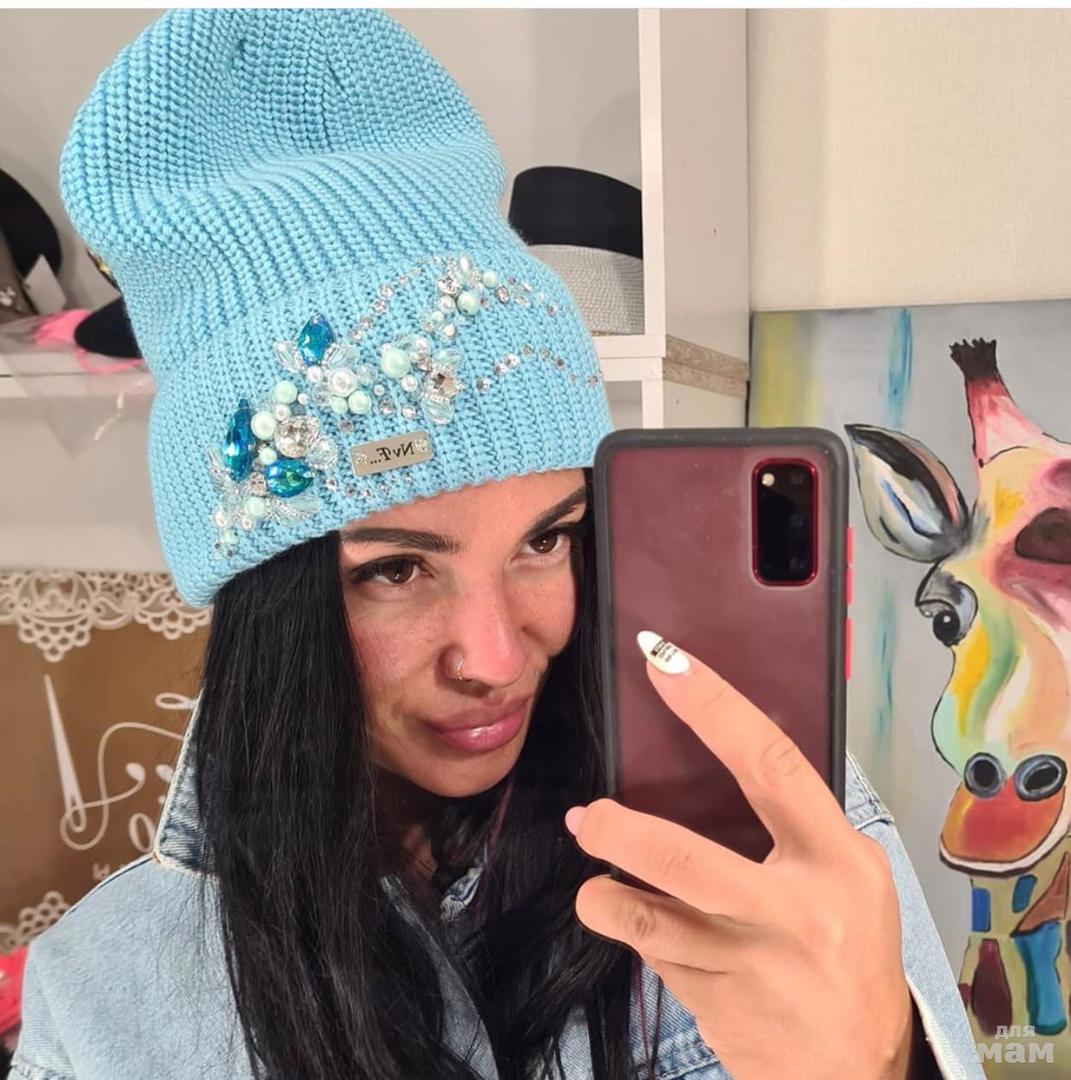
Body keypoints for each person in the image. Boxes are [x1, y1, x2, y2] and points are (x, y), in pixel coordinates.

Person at [12, 10, 982, 1080]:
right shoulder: (104, 1003)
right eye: (395, 569)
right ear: (267, 601)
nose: (497, 655)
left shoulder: (760, 829)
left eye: (544, 539)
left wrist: (879, 1059)